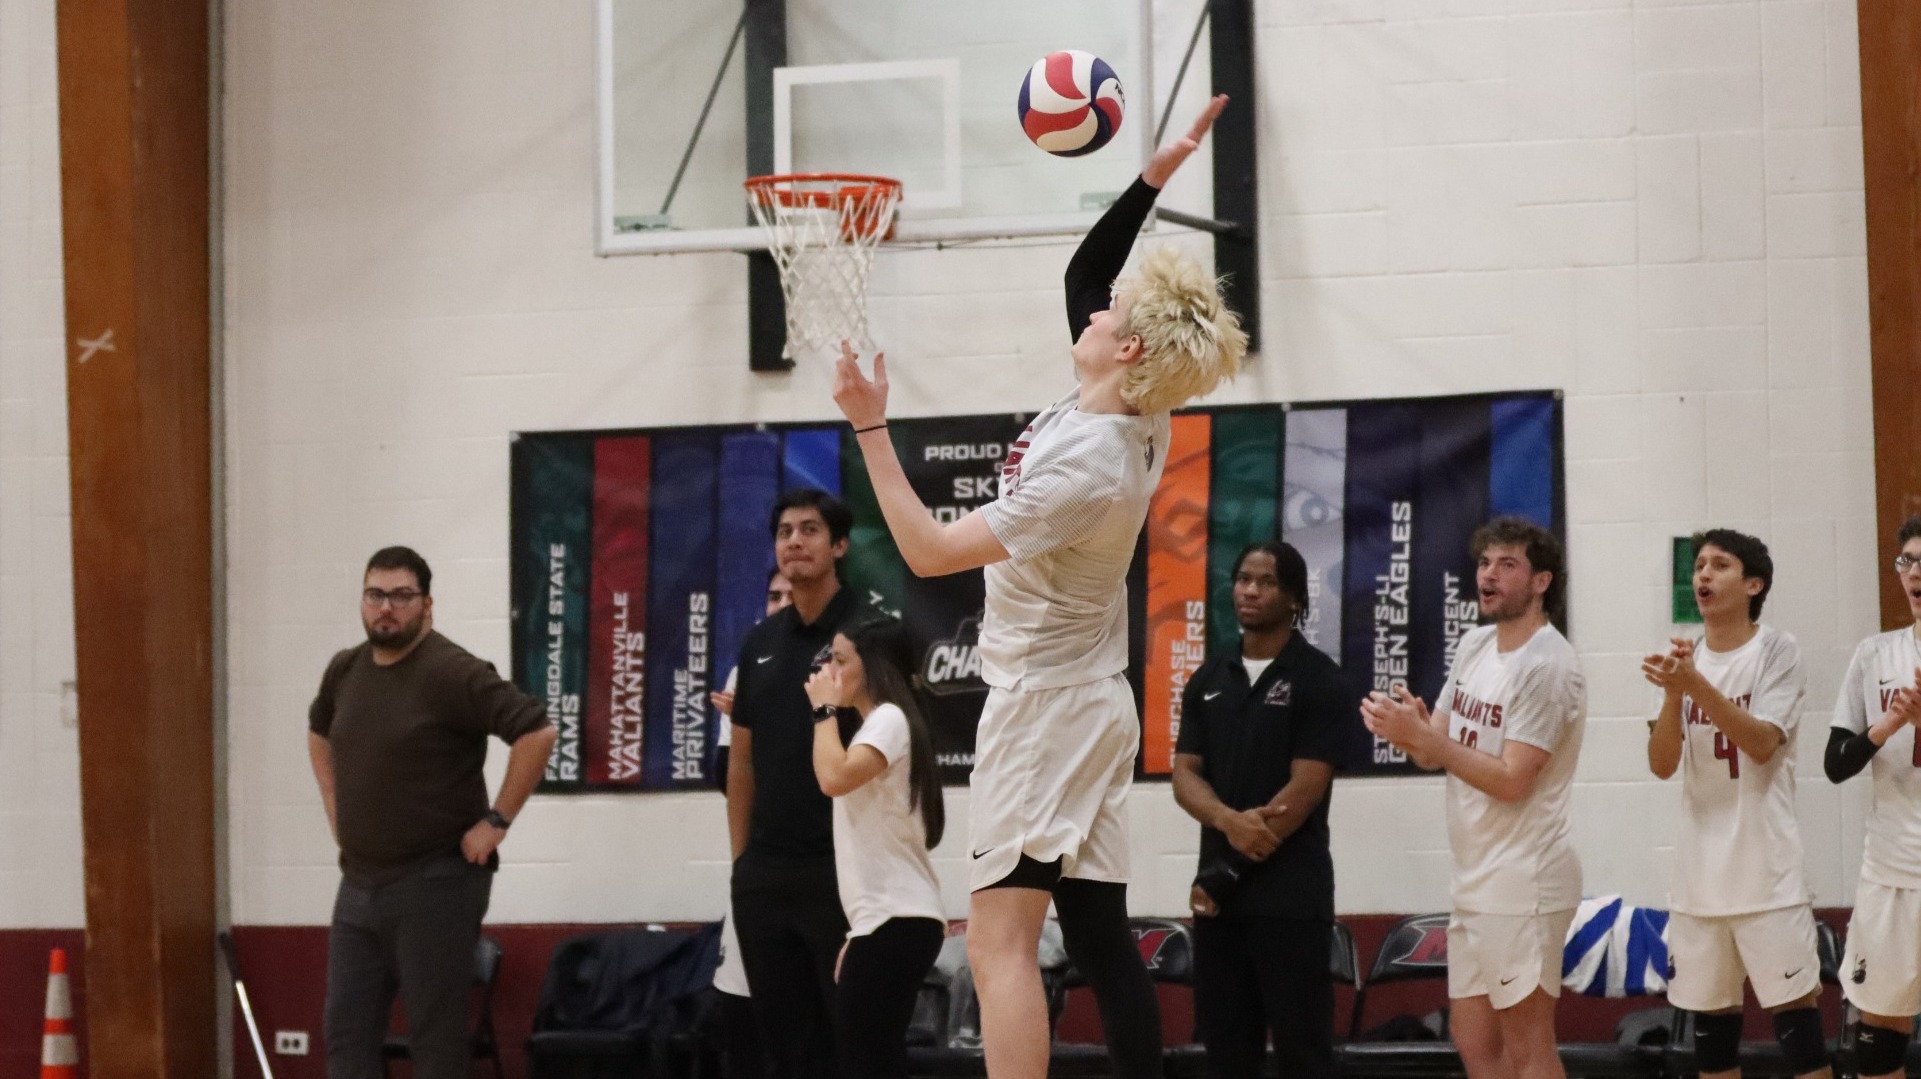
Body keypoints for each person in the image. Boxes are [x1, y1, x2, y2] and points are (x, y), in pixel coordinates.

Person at [831, 96, 1246, 1079]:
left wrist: (870, 426)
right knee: (1097, 926)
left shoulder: (1094, 461)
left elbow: (931, 551)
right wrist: (1153, 173)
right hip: (1089, 702)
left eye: (1111, 317)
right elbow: (1084, 271)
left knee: (995, 943)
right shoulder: (1125, 409)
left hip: (1046, 710)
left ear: (1130, 348)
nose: (1094, 311)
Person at [308, 546, 556, 1079]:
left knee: (435, 1043)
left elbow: (537, 732)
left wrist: (497, 822)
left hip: (435, 883)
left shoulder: (452, 671)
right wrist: (337, 812)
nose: (387, 608)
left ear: (427, 605)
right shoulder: (346, 669)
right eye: (376, 594)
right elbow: (318, 733)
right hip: (359, 884)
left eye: (402, 596)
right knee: (345, 1035)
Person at [1361, 517, 1585, 1079]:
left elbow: (1513, 780)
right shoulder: (1475, 644)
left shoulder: (1548, 666)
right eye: (1484, 562)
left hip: (1524, 879)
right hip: (1476, 875)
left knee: (1528, 1045)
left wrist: (1429, 739)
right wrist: (1413, 732)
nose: (1488, 574)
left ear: (1541, 582)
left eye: (1507, 564)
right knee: (1473, 1038)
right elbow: (1434, 753)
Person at [1643, 529, 1830, 1079]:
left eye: (1719, 565)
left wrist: (1694, 685)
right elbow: (1660, 764)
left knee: (1800, 1037)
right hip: (1699, 879)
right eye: (1699, 565)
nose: (1703, 575)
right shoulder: (1682, 660)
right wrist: (1675, 692)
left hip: (1765, 873)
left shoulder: (1777, 649)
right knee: (1713, 1046)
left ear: (1753, 584)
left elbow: (1762, 742)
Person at [1172, 541, 1346, 1079]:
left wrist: (1238, 859)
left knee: (1303, 1053)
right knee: (1226, 1054)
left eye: (1266, 582)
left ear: (1294, 597)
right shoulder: (1209, 678)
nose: (1249, 590)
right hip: (1220, 907)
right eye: (1243, 578)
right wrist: (1228, 822)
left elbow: (1307, 784)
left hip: (1290, 903)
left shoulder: (1318, 678)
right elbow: (1185, 775)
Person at [728, 489, 875, 1079]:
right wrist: (742, 863)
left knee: (852, 1037)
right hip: (766, 876)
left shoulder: (868, 635)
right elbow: (742, 764)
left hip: (843, 871)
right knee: (785, 1048)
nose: (794, 541)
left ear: (838, 545)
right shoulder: (759, 643)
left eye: (810, 530)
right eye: (785, 531)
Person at [803, 616, 948, 1079]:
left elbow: (833, 778)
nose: (829, 670)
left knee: (868, 1061)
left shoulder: (888, 718)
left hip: (897, 921)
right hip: (889, 923)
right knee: (872, 1058)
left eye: (840, 660)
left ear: (875, 667)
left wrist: (823, 713)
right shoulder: (884, 723)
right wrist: (861, 933)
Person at [1825, 515, 1921, 1079]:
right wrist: (1885, 726)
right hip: (1890, 870)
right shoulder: (1874, 655)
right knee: (1879, 1037)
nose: (1914, 573)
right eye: (1907, 561)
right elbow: (1835, 765)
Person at [709, 568, 794, 1079]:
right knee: (741, 1009)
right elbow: (728, 778)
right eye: (772, 595)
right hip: (759, 862)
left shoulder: (839, 665)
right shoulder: (748, 668)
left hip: (823, 866)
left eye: (789, 594)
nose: (781, 603)